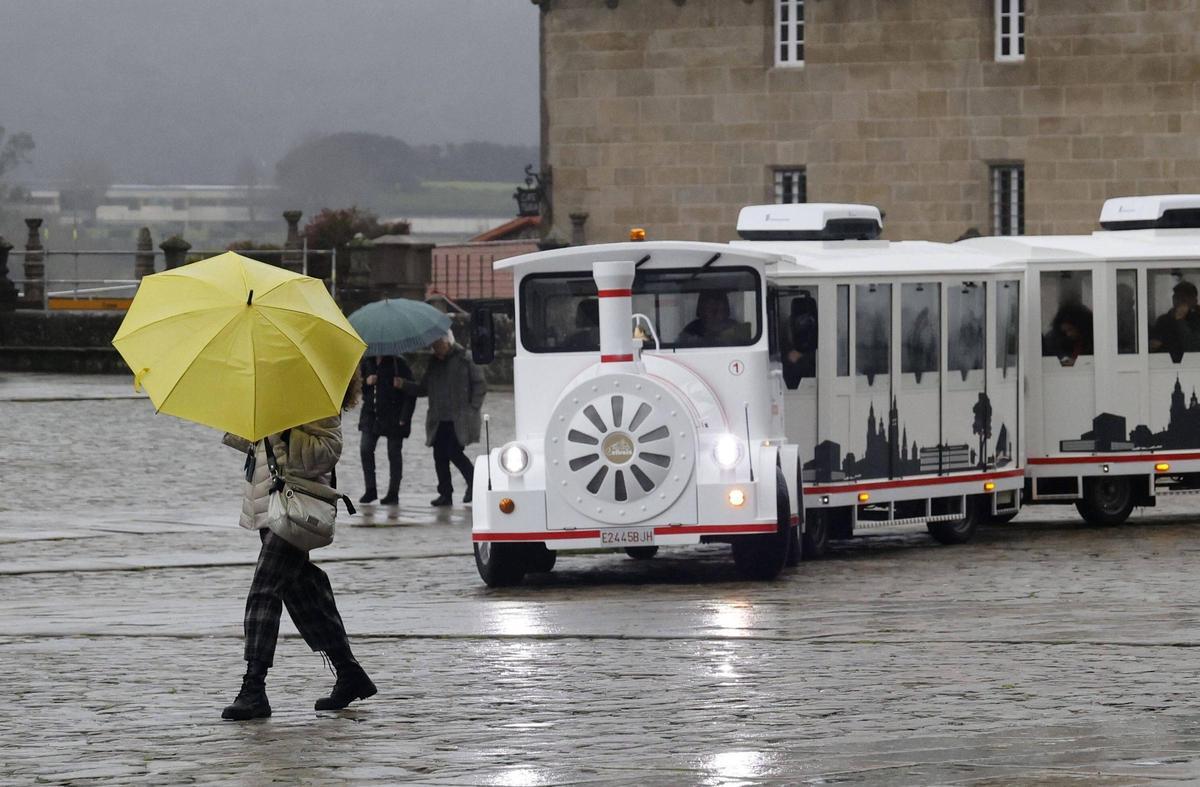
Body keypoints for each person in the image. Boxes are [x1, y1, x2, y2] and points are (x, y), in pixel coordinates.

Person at [220, 377, 375, 721]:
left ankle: (253, 687)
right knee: (302, 590)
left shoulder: (315, 394)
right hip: (269, 504)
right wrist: (250, 417)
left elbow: (328, 450)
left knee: (264, 590)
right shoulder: (278, 390)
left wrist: (284, 427)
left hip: (295, 505)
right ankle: (349, 672)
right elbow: (259, 447)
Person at [401, 334, 487, 507]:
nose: (435, 349)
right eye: (433, 346)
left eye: (438, 345)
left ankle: (474, 483)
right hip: (439, 419)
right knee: (439, 456)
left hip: (459, 418)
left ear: (448, 342)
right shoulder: (434, 363)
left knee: (454, 452)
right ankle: (445, 493)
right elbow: (423, 388)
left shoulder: (465, 358)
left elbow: (480, 384)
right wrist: (404, 384)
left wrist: (473, 407)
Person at [358, 355, 417, 505]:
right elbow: (358, 388)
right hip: (371, 413)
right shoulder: (367, 362)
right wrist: (366, 381)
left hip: (394, 415)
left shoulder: (399, 363)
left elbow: (413, 391)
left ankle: (393, 492)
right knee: (365, 449)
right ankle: (370, 489)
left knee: (394, 453)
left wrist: (405, 416)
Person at [1150, 280, 1200, 363]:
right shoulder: (1163, 321)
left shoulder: (1197, 320)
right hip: (1165, 367)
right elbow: (1153, 348)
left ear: (1194, 301)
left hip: (1193, 367)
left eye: (1184, 299)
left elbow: (1193, 347)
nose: (1180, 303)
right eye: (1177, 298)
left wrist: (1180, 321)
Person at [1042, 301, 1093, 366]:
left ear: (1079, 326)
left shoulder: (1091, 339)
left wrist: (1076, 363)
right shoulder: (1057, 338)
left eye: (1070, 329)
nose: (1068, 334)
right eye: (1065, 331)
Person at [782, 294, 817, 388]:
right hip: (794, 365)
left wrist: (802, 353)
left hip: (813, 362)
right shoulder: (788, 324)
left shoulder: (817, 322)